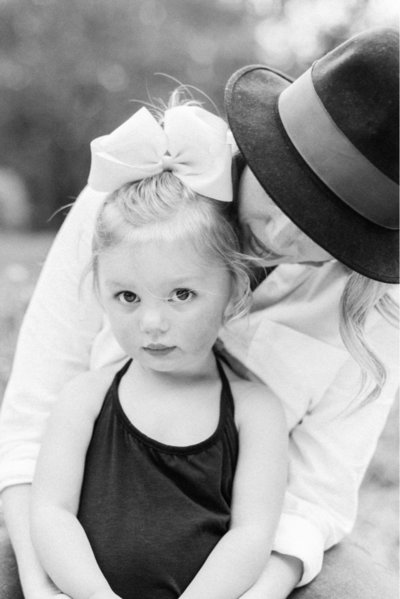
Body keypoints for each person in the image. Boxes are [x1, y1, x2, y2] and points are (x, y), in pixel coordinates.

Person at [0, 26, 398, 599]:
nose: (284, 232)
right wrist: (42, 587)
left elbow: (313, 501)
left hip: (243, 552)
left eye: (325, 224)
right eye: (284, 190)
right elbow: (32, 419)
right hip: (73, 524)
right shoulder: (130, 197)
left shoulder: (380, 310)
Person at [28, 102, 287, 599]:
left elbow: (252, 534)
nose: (151, 323)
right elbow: (52, 513)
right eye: (127, 296)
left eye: (182, 295)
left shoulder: (254, 411)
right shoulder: (85, 398)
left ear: (233, 292)